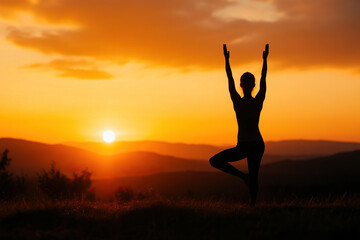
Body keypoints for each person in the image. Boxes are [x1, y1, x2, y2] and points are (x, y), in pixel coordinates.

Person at [209, 43, 269, 205]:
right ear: (252, 85)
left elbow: (230, 79)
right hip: (254, 144)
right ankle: (252, 202)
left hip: (249, 144)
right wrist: (264, 60)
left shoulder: (238, 101)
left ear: (241, 85)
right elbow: (263, 79)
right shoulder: (257, 100)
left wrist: (227, 61)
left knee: (215, 161)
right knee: (253, 176)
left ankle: (246, 186)